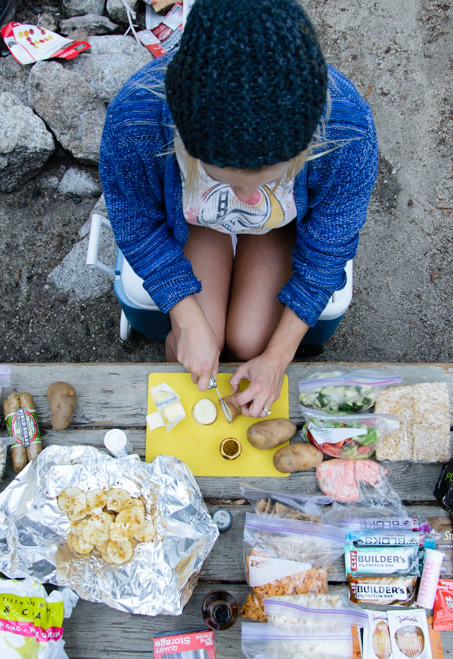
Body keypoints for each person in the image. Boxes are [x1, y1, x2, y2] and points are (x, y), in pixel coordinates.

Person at [99, 0, 378, 418]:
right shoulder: (135, 121)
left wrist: (278, 357)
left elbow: (328, 251)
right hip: (195, 223)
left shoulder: (348, 132)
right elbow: (137, 226)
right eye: (224, 179)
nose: (248, 199)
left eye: (268, 180)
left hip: (279, 228)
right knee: (197, 340)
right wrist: (184, 317)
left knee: (250, 341)